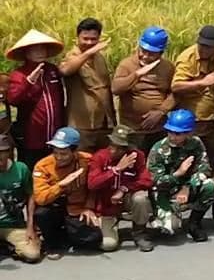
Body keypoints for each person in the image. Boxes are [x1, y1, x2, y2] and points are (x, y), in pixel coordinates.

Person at [147, 109, 214, 242]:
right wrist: (178, 173)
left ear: (188, 133)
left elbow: (205, 168)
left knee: (210, 186)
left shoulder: (195, 143)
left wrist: (188, 187)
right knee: (171, 228)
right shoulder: (158, 149)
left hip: (187, 187)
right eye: (169, 131)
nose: (172, 136)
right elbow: (155, 180)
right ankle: (160, 216)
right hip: (164, 192)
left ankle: (194, 223)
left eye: (177, 133)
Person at [31, 127, 101, 258]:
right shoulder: (42, 165)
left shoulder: (88, 160)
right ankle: (52, 245)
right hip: (54, 207)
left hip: (76, 209)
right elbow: (40, 198)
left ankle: (67, 235)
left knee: (94, 239)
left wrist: (89, 208)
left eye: (63, 153)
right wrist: (60, 185)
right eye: (55, 152)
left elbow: (94, 187)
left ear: (74, 151)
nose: (58, 157)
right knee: (42, 214)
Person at [86, 124, 154, 252]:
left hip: (127, 199)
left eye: (120, 148)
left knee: (141, 198)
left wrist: (124, 189)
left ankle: (139, 232)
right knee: (108, 245)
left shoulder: (137, 156)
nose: (114, 150)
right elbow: (92, 184)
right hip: (107, 206)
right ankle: (109, 228)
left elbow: (147, 180)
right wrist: (116, 170)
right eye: (112, 145)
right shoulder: (99, 157)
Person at [5, 29, 66, 169]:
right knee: (31, 171)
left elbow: (61, 100)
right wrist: (29, 81)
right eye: (35, 49)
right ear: (26, 53)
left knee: (53, 171)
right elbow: (13, 99)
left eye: (42, 48)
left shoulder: (52, 70)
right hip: (31, 137)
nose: (40, 52)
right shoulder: (19, 74)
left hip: (55, 137)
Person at [112, 27, 175, 152]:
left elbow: (175, 93)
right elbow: (116, 88)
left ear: (161, 53)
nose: (145, 56)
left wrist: (161, 111)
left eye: (151, 54)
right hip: (132, 129)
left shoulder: (167, 67)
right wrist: (136, 75)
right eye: (143, 50)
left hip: (158, 129)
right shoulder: (127, 65)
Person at [172, 25, 214, 166]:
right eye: (202, 45)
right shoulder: (187, 58)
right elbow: (176, 86)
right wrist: (203, 82)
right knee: (192, 158)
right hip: (194, 120)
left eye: (209, 47)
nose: (204, 50)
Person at [59, 17, 115, 152]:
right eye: (85, 38)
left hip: (103, 123)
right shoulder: (72, 56)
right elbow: (66, 70)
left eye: (93, 39)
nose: (89, 43)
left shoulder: (99, 58)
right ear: (77, 37)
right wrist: (89, 52)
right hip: (81, 126)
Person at [0, 134, 41, 263]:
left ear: (9, 152)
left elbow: (31, 196)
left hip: (13, 224)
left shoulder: (21, 169)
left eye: (2, 151)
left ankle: (9, 245)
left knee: (32, 254)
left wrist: (30, 226)